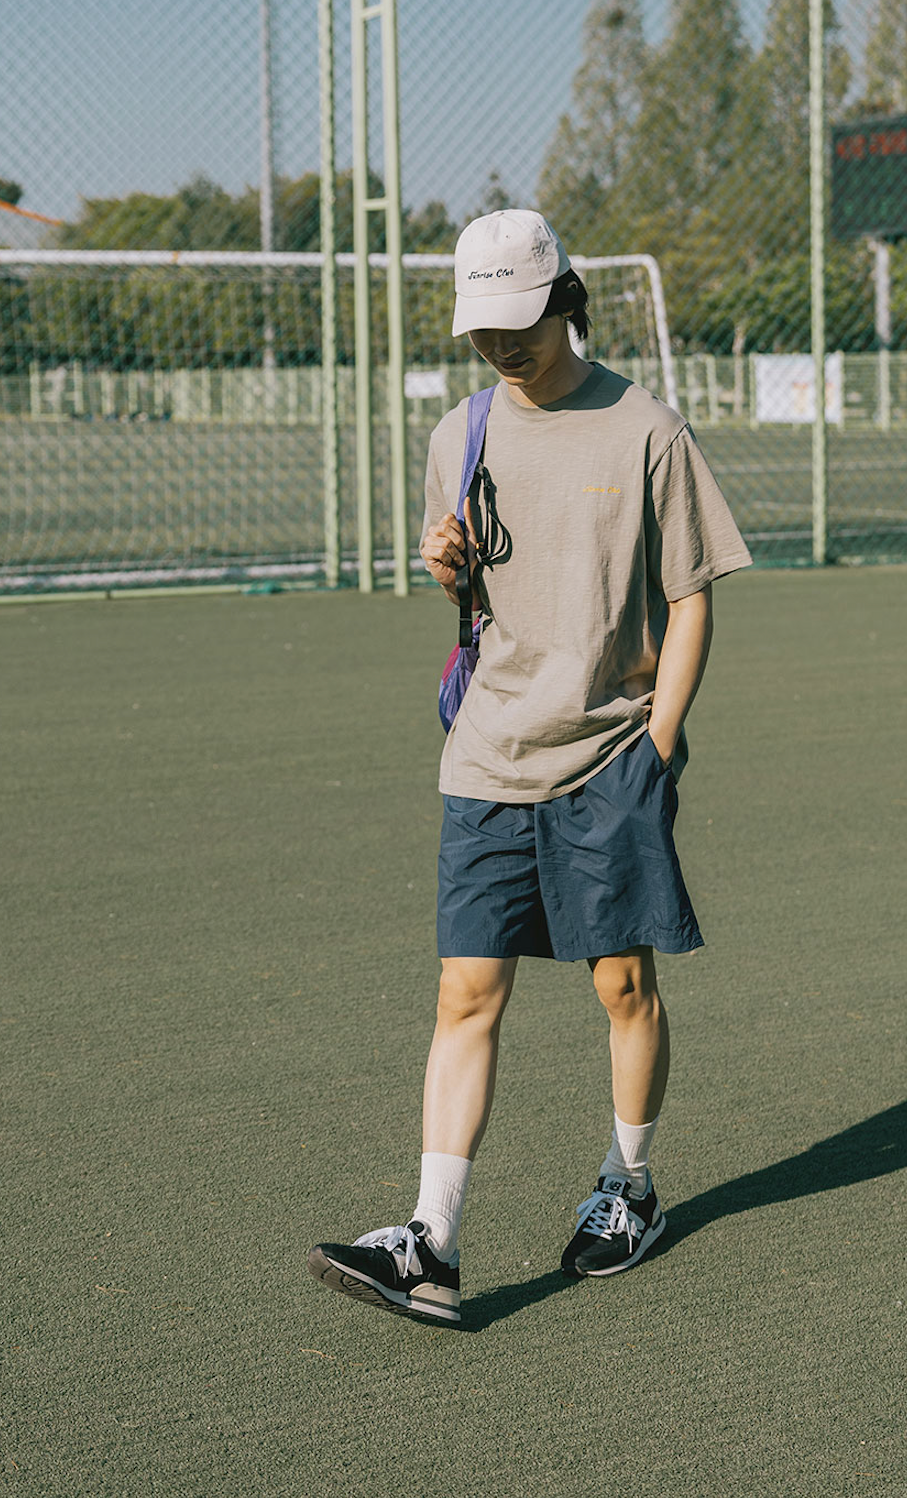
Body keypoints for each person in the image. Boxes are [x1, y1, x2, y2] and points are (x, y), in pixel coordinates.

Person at [309, 209, 751, 1325]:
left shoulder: (647, 429)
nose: (502, 346)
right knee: (466, 991)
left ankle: (628, 1185)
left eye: (519, 322)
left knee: (622, 985)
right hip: (488, 752)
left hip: (609, 754)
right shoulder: (459, 434)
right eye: (483, 329)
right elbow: (476, 598)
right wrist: (444, 563)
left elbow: (692, 599)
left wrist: (657, 745)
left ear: (566, 300)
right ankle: (433, 1239)